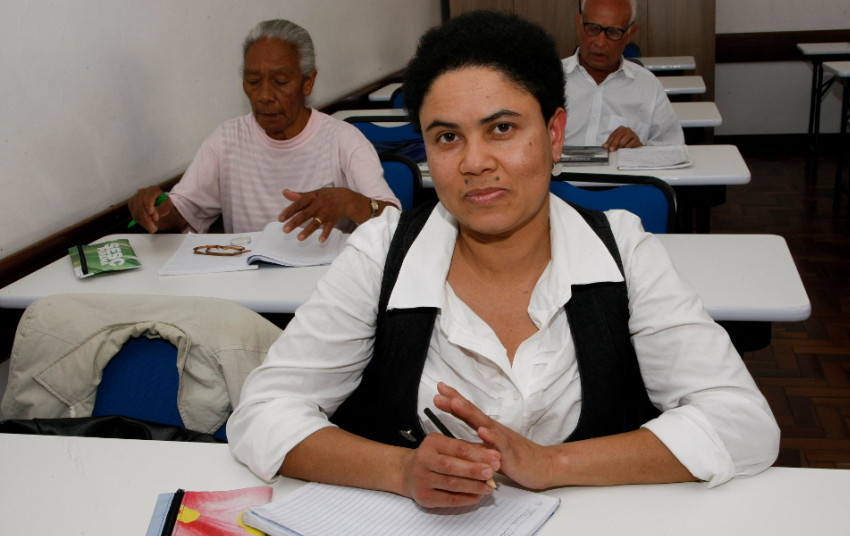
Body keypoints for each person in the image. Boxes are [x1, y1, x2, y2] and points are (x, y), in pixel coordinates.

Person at [228, 11, 778, 509]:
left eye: (503, 128)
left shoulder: (622, 251)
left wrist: (551, 464)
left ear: (555, 134)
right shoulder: (382, 255)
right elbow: (263, 413)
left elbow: (742, 424)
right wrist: (400, 469)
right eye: (447, 137)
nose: (474, 162)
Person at [127, 19, 400, 242]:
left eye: (280, 82)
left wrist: (347, 201)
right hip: (248, 290)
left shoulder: (343, 140)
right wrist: (154, 209)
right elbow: (181, 213)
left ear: (308, 82)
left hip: (325, 287)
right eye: (253, 81)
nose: (265, 95)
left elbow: (394, 220)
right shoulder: (227, 140)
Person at [563, 0, 684, 150]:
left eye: (613, 32)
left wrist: (640, 151)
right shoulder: (547, 78)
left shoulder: (648, 87)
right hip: (558, 173)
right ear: (579, 24)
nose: (600, 42)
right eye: (592, 29)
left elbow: (673, 150)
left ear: (630, 34)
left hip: (623, 173)